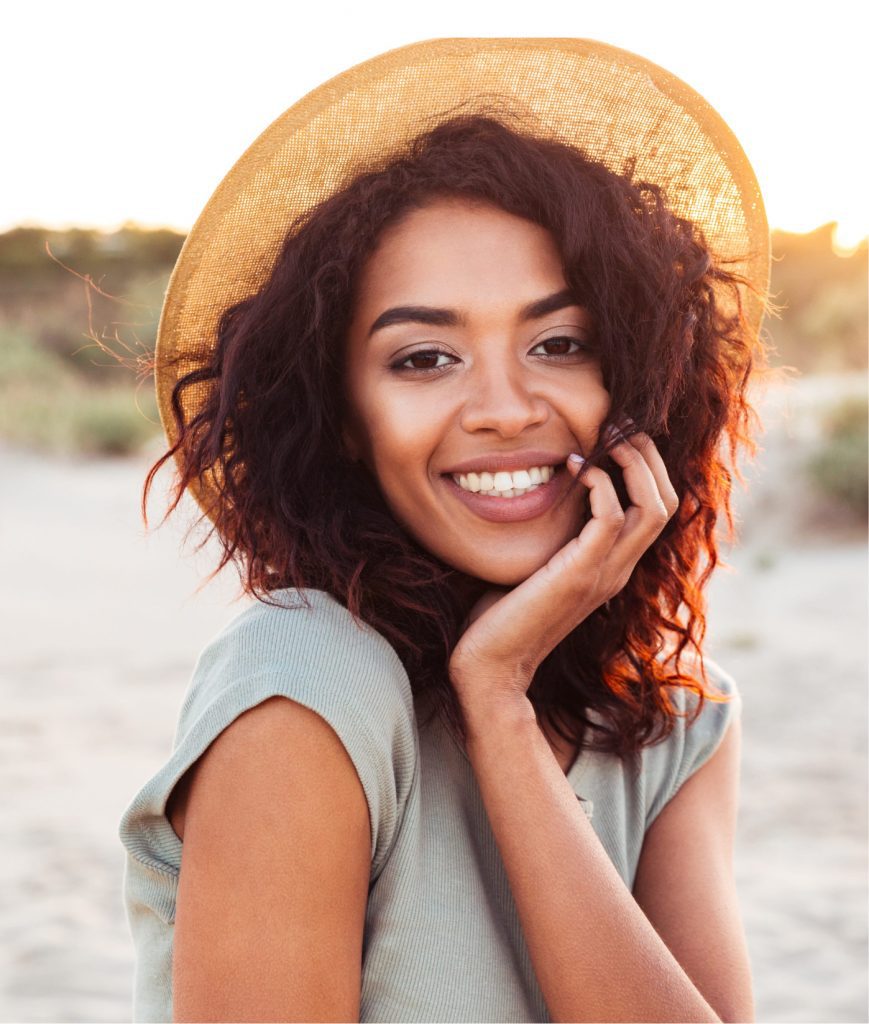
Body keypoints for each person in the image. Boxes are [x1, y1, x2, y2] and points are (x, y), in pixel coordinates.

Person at [119, 38, 770, 1023]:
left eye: (559, 344)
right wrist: (491, 692)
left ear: (632, 384)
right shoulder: (307, 682)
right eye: (423, 358)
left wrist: (498, 703)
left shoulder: (677, 711)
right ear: (343, 415)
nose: (504, 409)